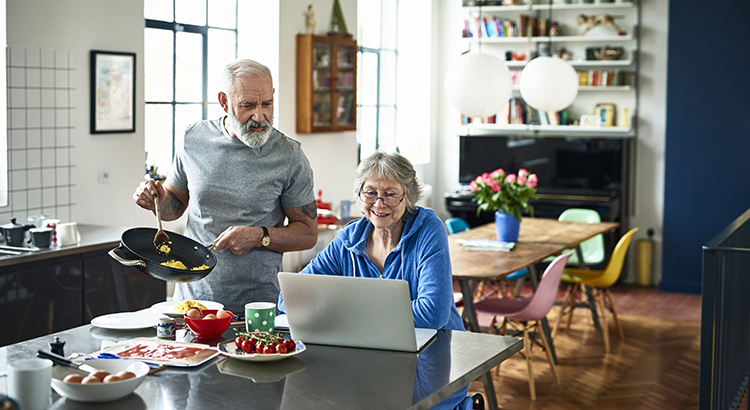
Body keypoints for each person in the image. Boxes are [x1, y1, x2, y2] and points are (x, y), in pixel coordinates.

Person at [278, 151, 472, 410]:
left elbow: (433, 312)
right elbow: (290, 299)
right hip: (369, 366)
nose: (379, 204)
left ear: (408, 196)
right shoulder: (349, 239)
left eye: (391, 194)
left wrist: (344, 313)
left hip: (430, 365)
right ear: (359, 195)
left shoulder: (428, 229)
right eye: (370, 193)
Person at [133, 59, 318, 307]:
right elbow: (174, 207)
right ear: (224, 102)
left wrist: (259, 236)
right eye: (247, 105)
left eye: (267, 104)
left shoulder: (289, 155)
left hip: (258, 306)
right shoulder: (193, 138)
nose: (259, 116)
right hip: (193, 302)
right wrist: (156, 199)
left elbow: (307, 233)